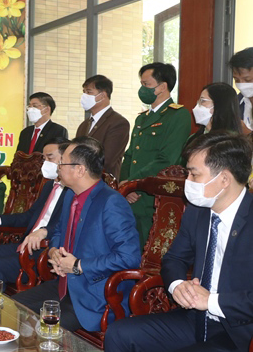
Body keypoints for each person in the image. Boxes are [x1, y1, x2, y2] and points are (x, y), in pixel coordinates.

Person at [105, 131, 253, 352]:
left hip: (237, 330)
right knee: (118, 334)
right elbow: (174, 258)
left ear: (224, 179)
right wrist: (177, 286)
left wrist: (211, 301)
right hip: (195, 318)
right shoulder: (197, 212)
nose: (187, 182)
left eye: (194, 175)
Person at [12, 136, 140, 332]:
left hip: (95, 296)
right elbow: (60, 230)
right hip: (65, 285)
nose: (58, 168)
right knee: (12, 308)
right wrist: (54, 250)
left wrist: (78, 266)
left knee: (40, 329)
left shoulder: (111, 203)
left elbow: (129, 258)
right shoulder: (71, 194)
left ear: (80, 169)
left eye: (62, 163)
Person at [0, 137, 70, 282]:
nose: (45, 163)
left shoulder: (73, 191)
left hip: (46, 250)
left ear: (66, 159)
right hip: (25, 245)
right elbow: (28, 216)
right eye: (43, 159)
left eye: (49, 158)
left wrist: (44, 232)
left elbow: (68, 225)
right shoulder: (49, 186)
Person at [120, 62, 192, 250]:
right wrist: (124, 183)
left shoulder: (178, 115)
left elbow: (167, 158)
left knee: (148, 254)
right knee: (128, 250)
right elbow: (129, 155)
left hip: (153, 197)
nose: (142, 89)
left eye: (146, 84)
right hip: (132, 196)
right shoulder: (142, 118)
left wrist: (132, 183)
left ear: (162, 86)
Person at [76, 75, 130, 179]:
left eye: (89, 92)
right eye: (84, 92)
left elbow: (107, 160)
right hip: (81, 182)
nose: (84, 96)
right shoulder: (84, 125)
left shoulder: (118, 122)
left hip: (103, 182)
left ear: (102, 95)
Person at [184, 82, 243, 150]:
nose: (197, 106)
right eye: (198, 101)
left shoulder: (231, 143)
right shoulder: (193, 138)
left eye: (203, 101)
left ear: (219, 105)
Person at [228, 47, 253, 134]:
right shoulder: (235, 103)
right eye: (237, 80)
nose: (241, 85)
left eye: (247, 80)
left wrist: (248, 135)